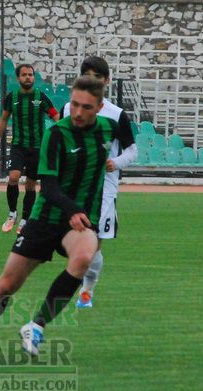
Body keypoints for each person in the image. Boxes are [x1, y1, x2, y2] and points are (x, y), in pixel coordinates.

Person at [0, 76, 133, 357]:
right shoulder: (57, 133)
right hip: (45, 218)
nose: (78, 111)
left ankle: (36, 326)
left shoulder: (109, 128)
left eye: (86, 106)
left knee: (85, 256)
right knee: (8, 284)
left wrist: (118, 163)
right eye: (74, 104)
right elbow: (47, 186)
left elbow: (132, 148)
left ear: (99, 107)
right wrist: (72, 209)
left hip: (80, 221)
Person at [60, 56, 137, 308]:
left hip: (104, 188)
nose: (92, 81)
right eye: (88, 75)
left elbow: (131, 151)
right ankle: (78, 282)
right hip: (73, 185)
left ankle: (87, 290)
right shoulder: (68, 108)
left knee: (92, 244)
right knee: (76, 242)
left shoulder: (116, 115)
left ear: (106, 81)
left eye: (98, 77)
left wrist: (115, 163)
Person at [0, 64, 60, 234]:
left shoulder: (41, 97)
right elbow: (3, 121)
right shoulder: (12, 97)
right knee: (13, 177)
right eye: (24, 75)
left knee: (30, 184)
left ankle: (25, 220)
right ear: (18, 78)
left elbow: (55, 116)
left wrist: (67, 132)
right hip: (18, 146)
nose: (28, 77)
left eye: (31, 75)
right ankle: (12, 213)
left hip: (37, 148)